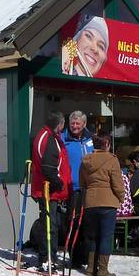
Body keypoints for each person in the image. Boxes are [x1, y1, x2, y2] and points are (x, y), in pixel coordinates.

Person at [78, 135, 124, 276]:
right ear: (107, 145)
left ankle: (90, 267)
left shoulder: (86, 160)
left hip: (90, 201)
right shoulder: (112, 159)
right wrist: (121, 197)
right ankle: (103, 270)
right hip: (108, 201)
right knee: (106, 236)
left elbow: (82, 182)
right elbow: (117, 183)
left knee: (91, 236)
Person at [30, 112, 72, 271]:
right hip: (48, 189)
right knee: (50, 224)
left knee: (49, 223)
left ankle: (48, 257)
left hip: (46, 188)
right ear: (59, 124)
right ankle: (48, 257)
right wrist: (59, 183)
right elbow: (48, 167)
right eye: (63, 124)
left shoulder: (46, 135)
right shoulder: (48, 138)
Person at [62, 111, 94, 264]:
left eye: (77, 123)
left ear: (84, 124)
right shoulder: (63, 139)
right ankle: (75, 256)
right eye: (72, 123)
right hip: (73, 187)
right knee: (73, 222)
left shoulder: (91, 139)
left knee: (88, 223)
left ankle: (87, 256)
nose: (74, 126)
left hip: (90, 187)